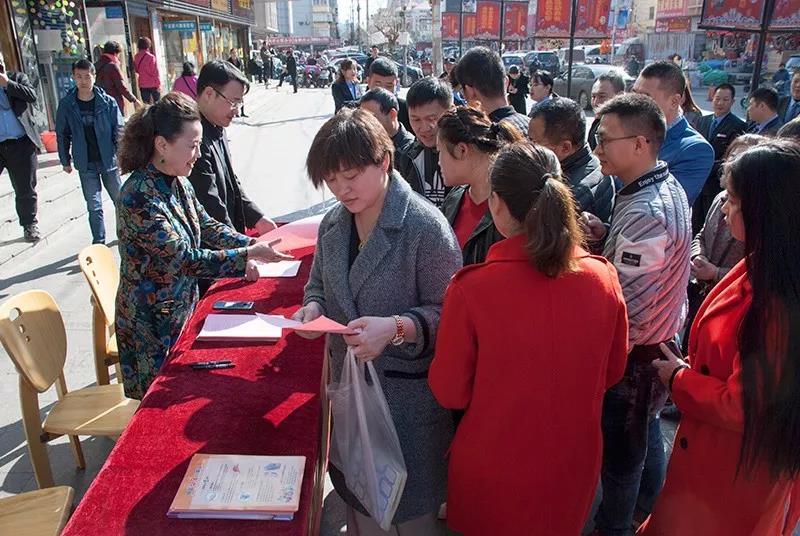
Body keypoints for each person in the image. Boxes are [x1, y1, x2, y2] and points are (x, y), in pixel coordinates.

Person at [429, 140, 628, 536]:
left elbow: (449, 391)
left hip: (494, 466)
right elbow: (613, 371)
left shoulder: (473, 288)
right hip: (572, 463)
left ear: (498, 203)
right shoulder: (603, 277)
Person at [293, 108, 463, 534]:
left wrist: (397, 328)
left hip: (407, 407)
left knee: (411, 519)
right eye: (331, 179)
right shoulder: (334, 223)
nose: (341, 189)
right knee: (362, 511)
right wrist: (312, 309)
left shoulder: (425, 227)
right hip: (351, 398)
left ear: (384, 161)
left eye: (351, 175)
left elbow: (452, 315)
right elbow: (318, 285)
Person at [639, 138, 800, 536]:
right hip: (719, 458)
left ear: (764, 209)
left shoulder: (778, 300)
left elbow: (746, 405)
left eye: (732, 200)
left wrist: (680, 379)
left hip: (733, 475)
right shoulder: (765, 262)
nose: (724, 208)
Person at [114, 92, 290, 399]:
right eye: (192, 145)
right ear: (162, 145)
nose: (197, 154)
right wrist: (246, 254)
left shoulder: (179, 181)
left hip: (180, 309)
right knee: (158, 403)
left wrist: (252, 242)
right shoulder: (138, 196)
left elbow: (207, 227)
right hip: (151, 324)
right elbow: (184, 259)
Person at [590, 93, 691, 536]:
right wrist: (608, 234)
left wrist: (602, 362)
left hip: (636, 357)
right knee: (644, 436)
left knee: (622, 458)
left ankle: (615, 527)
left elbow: (630, 307)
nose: (598, 149)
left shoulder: (647, 212)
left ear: (640, 143)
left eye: (605, 139)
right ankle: (649, 506)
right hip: (659, 342)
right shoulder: (659, 184)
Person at [188, 61, 276, 297]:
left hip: (224, 246)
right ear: (209, 93)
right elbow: (210, 204)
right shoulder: (192, 137)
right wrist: (241, 254)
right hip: (209, 257)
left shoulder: (216, 127)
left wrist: (257, 217)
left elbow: (230, 181)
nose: (236, 109)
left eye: (240, 102)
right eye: (233, 101)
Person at [680, 134, 762, 355]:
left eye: (741, 160)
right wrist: (698, 255)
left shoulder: (755, 218)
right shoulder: (719, 199)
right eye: (731, 157)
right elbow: (702, 234)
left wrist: (715, 273)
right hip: (702, 291)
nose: (731, 165)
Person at [437, 106, 522, 264]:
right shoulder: (454, 198)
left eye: (440, 152)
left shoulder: (512, 207)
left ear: (461, 150)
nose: (439, 162)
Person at [55, 59, 123, 245]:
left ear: (94, 76)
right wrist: (65, 160)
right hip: (86, 162)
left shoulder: (108, 102)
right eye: (79, 77)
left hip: (108, 160)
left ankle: (126, 234)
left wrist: (122, 155)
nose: (83, 81)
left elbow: (119, 131)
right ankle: (99, 241)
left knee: (120, 201)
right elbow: (62, 134)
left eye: (87, 76)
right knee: (94, 205)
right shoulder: (67, 105)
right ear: (73, 77)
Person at [633, 60, 713, 206]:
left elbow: (665, 205)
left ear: (674, 101)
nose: (634, 103)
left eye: (645, 97)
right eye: (634, 94)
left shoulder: (696, 149)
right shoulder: (628, 131)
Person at [528, 97, 614, 226]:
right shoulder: (589, 163)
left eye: (534, 142)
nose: (528, 147)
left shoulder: (573, 195)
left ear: (565, 147)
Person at [0, 55, 44, 242]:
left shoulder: (17, 78)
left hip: (21, 144)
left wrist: (7, 83)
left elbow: (32, 96)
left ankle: (29, 225)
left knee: (25, 187)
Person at [692, 83, 746, 233]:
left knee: (713, 224)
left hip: (716, 183)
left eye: (725, 100)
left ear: (732, 102)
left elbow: (731, 157)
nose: (720, 103)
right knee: (695, 221)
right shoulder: (702, 121)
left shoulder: (738, 125)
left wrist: (706, 167)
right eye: (717, 99)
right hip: (699, 183)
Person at [397, 77, 454, 206]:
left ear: (451, 110)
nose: (424, 128)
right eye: (416, 120)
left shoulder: (466, 154)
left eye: (432, 119)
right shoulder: (408, 157)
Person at [454, 46, 529, 136]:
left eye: (462, 92)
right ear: (506, 82)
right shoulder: (533, 126)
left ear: (470, 91)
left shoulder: (482, 138)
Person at [359, 87, 416, 182]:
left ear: (392, 114)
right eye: (363, 118)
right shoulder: (366, 142)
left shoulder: (409, 150)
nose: (365, 124)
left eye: (371, 118)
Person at [366, 57, 413, 134]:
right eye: (378, 85)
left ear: (396, 83)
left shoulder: (406, 110)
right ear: (368, 81)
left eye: (389, 86)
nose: (383, 90)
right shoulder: (356, 110)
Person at [95, 41, 141, 114]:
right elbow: (121, 86)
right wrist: (134, 100)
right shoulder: (113, 66)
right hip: (114, 102)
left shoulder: (96, 65)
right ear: (116, 53)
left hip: (99, 101)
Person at [588, 71, 626, 151]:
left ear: (619, 96)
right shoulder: (598, 123)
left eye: (602, 96)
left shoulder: (626, 129)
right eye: (593, 96)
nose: (595, 102)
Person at [133, 37, 160, 104]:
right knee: (157, 104)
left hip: (142, 84)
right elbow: (155, 72)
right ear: (148, 45)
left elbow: (136, 70)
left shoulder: (136, 57)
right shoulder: (151, 57)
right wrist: (158, 84)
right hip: (153, 84)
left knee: (146, 104)